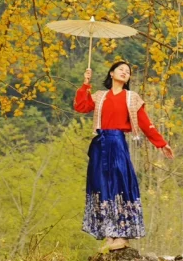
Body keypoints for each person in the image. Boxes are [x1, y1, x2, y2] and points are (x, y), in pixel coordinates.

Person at [74, 60, 173, 248]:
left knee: (120, 184)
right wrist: (85, 83)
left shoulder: (131, 98)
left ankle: (123, 235)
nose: (125, 72)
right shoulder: (100, 96)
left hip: (117, 143)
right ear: (111, 73)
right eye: (120, 69)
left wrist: (161, 143)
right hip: (99, 145)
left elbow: (145, 123)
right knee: (101, 185)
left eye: (127, 71)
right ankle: (109, 235)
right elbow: (80, 106)